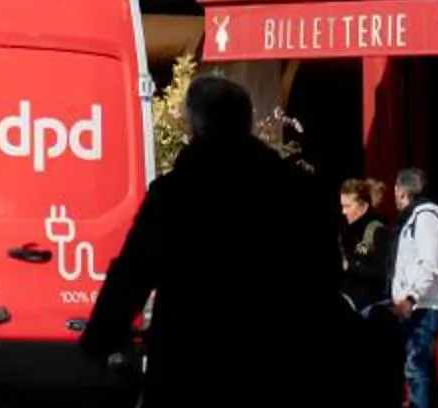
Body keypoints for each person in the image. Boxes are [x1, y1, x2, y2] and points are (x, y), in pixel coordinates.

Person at [84, 75, 352, 405]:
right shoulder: (298, 190)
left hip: (190, 362)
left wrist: (100, 337)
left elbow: (134, 271)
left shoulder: (175, 192)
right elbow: (325, 276)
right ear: (248, 121)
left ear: (196, 125)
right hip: (275, 364)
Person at [389, 165, 438, 408]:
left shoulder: (426, 219)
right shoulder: (410, 221)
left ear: (402, 191)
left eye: (395, 189)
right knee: (412, 371)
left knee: (418, 370)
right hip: (411, 307)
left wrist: (411, 298)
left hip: (423, 307)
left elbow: (430, 265)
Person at [341, 178, 394, 307]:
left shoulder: (378, 231)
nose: (343, 211)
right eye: (342, 206)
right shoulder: (347, 231)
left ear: (363, 206)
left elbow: (382, 272)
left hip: (368, 304)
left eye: (348, 206)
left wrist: (349, 266)